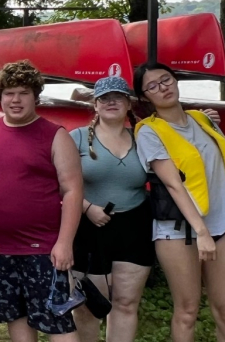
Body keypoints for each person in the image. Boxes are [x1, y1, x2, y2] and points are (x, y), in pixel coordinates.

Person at [0, 60, 84, 342]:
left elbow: (73, 190)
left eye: (23, 93)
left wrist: (65, 243)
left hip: (42, 249)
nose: (15, 100)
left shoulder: (55, 135)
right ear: (0, 97)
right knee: (15, 316)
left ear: (35, 96)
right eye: (9, 93)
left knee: (58, 320)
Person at [132, 63, 225, 342]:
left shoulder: (203, 120)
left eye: (166, 79)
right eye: (153, 86)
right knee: (187, 310)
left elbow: (223, 176)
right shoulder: (149, 132)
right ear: (145, 97)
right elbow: (173, 184)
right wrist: (202, 232)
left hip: (223, 226)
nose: (163, 87)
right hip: (179, 231)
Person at [67, 76, 153, 342]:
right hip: (88, 228)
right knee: (89, 305)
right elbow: (58, 182)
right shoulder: (78, 138)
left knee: (126, 304)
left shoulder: (144, 138)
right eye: (104, 98)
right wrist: (86, 207)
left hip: (134, 227)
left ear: (129, 104)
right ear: (95, 104)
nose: (111, 102)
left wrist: (205, 120)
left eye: (118, 97)